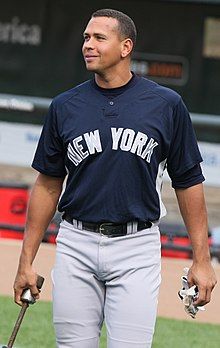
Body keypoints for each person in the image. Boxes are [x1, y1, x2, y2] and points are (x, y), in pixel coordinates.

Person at [13, 8, 217, 348]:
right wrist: (25, 262)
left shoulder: (166, 105)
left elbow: (188, 180)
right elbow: (48, 184)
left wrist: (202, 260)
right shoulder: (65, 106)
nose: (88, 45)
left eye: (98, 38)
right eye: (85, 38)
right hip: (76, 243)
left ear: (125, 47)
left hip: (136, 247)